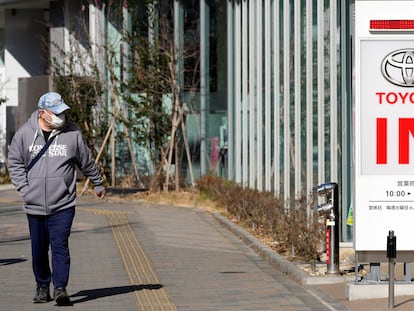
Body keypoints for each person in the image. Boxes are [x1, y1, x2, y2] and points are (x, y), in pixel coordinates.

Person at [8, 92, 106, 306]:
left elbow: (86, 161)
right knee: (39, 249)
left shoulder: (73, 134)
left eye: (63, 112)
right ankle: (42, 286)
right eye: (57, 112)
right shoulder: (25, 134)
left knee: (60, 245)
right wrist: (25, 189)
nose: (62, 116)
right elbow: (14, 163)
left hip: (63, 203)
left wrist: (97, 182)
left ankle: (60, 287)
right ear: (43, 113)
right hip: (34, 204)